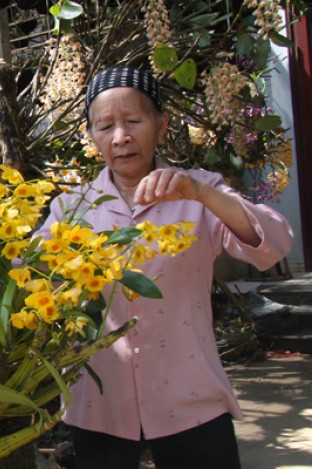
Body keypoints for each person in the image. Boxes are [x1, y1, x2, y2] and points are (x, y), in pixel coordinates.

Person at [32, 66, 294, 469]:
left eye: (134, 121)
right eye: (105, 126)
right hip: (100, 402)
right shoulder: (72, 208)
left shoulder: (198, 191)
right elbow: (30, 277)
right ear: (91, 135)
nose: (121, 137)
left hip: (191, 399)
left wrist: (202, 194)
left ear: (161, 124)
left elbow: (273, 244)